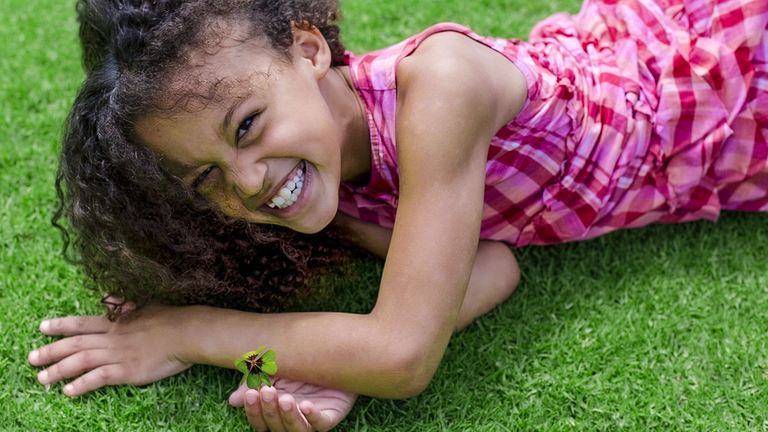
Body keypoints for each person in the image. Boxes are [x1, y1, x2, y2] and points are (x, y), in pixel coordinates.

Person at [29, 0, 767, 430]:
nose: (246, 184)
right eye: (204, 179)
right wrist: (339, 371)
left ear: (310, 50)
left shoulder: (439, 91)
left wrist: (189, 334)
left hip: (729, 90)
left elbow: (402, 354)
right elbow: (491, 267)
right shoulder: (335, 184)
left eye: (247, 125)